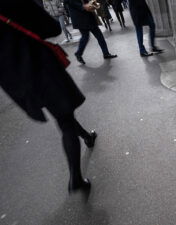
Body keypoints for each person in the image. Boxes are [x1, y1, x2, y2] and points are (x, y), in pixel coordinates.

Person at [0, 0, 97, 194]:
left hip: (18, 80)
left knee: (63, 114)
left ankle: (87, 136)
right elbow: (51, 28)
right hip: (40, 67)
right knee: (65, 120)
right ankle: (76, 178)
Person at [64, 0, 117, 64]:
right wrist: (84, 6)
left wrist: (92, 3)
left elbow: (87, 2)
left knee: (99, 36)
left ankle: (106, 53)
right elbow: (72, 3)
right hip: (80, 19)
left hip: (89, 17)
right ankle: (78, 53)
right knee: (85, 37)